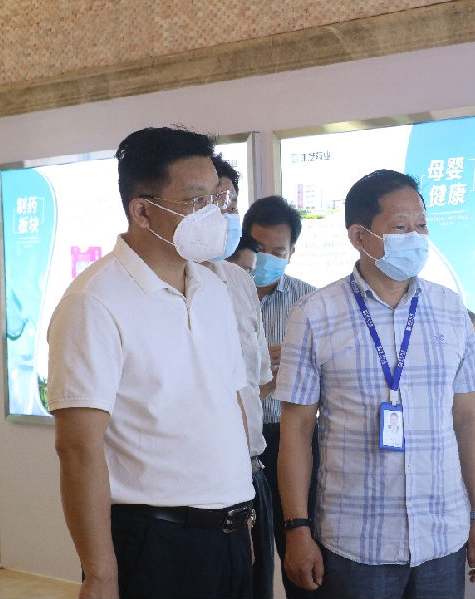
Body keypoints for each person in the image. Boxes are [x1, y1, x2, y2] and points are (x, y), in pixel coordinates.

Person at [48, 126, 255, 599]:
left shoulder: (213, 289)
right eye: (197, 201)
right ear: (142, 211)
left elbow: (231, 405)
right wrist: (100, 573)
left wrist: (241, 511)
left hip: (227, 531)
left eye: (218, 200)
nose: (214, 214)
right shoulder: (94, 301)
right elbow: (78, 448)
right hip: (155, 540)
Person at [277, 169, 475, 599]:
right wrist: (296, 528)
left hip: (442, 536)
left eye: (421, 225)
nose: (415, 237)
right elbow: (297, 430)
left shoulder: (450, 308)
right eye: (400, 227)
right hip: (356, 542)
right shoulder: (315, 314)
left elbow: (469, 418)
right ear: (360, 237)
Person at [242, 194, 319, 599]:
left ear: (292, 253)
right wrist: (262, 377)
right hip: (237, 441)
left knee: (300, 549)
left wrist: (286, 374)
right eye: (259, 248)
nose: (267, 259)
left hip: (293, 436)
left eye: (278, 251)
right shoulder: (217, 294)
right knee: (246, 558)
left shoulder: (311, 302)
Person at [209, 153, 277, 599]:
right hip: (195, 485)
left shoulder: (238, 283)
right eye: (211, 200)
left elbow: (256, 383)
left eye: (231, 202)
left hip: (251, 472)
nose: (225, 212)